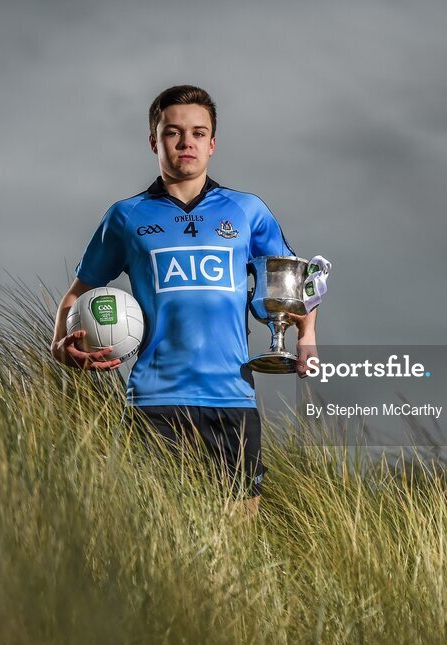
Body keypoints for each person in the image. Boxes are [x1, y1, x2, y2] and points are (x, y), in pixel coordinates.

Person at [49, 85, 318, 515]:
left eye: (197, 133)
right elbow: (76, 294)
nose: (185, 142)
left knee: (237, 541)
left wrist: (305, 337)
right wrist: (60, 344)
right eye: (173, 132)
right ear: (155, 141)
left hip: (230, 397)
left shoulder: (247, 211)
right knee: (151, 537)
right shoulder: (126, 216)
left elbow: (291, 284)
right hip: (154, 400)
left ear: (212, 144)